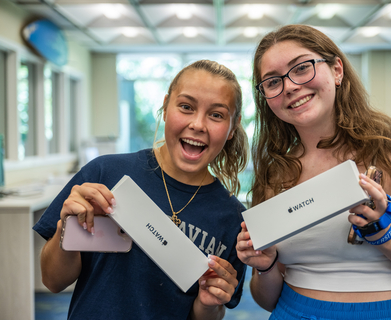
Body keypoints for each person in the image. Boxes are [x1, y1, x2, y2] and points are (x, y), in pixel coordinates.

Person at [236, 24, 391, 320]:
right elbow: (267, 300)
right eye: (272, 81)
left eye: (302, 68)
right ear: (266, 98)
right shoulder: (275, 173)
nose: (290, 86)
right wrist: (265, 265)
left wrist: (383, 232)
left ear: (337, 70)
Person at [34, 59, 249, 320]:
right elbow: (52, 281)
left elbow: (206, 315)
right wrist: (65, 229)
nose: (198, 125)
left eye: (216, 115)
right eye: (186, 107)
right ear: (166, 107)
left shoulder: (232, 218)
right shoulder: (105, 174)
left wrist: (209, 304)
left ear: (232, 127)